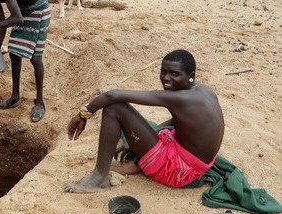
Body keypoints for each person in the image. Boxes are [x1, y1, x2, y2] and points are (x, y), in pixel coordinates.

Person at [63, 49, 225, 193]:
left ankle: (98, 180)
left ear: (191, 76)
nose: (166, 79)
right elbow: (180, 121)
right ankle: (137, 162)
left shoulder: (180, 98)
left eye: (174, 74)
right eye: (163, 72)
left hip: (178, 170)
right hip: (193, 160)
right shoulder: (204, 91)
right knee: (142, 124)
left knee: (114, 108)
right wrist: (140, 141)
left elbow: (112, 96)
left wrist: (83, 115)